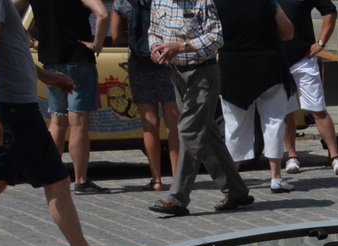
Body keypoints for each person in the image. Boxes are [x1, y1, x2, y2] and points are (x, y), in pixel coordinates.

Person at [0, 0, 120, 246]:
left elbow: (8, 47)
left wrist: (44, 75)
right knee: (55, 180)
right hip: (11, 106)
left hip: (1, 102)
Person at [149, 0, 254, 215]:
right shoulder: (158, 1)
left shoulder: (203, 2)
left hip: (203, 72)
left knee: (189, 132)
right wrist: (155, 47)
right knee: (205, 137)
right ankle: (236, 190)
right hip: (177, 74)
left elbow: (216, 38)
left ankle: (177, 198)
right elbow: (153, 31)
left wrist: (180, 46)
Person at [29, 0, 109, 192]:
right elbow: (103, 15)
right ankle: (80, 179)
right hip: (78, 58)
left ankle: (51, 177)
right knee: (78, 124)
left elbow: (10, 11)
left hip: (50, 60)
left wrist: (31, 41)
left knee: (57, 121)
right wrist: (97, 44)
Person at [216, 0, 295, 193]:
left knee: (234, 126)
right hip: (267, 65)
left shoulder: (215, 3)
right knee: (273, 121)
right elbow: (288, 33)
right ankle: (276, 176)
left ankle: (233, 179)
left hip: (232, 68)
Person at [110, 0, 179, 190]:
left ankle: (156, 180)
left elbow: (115, 36)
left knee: (150, 124)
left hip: (139, 62)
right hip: (166, 57)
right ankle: (177, 177)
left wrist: (136, 39)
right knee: (173, 123)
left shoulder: (122, 2)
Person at [280, 0, 338, 175]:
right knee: (286, 112)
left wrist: (321, 42)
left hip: (304, 58)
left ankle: (335, 156)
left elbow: (330, 11)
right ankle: (292, 156)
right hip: (277, 60)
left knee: (318, 109)